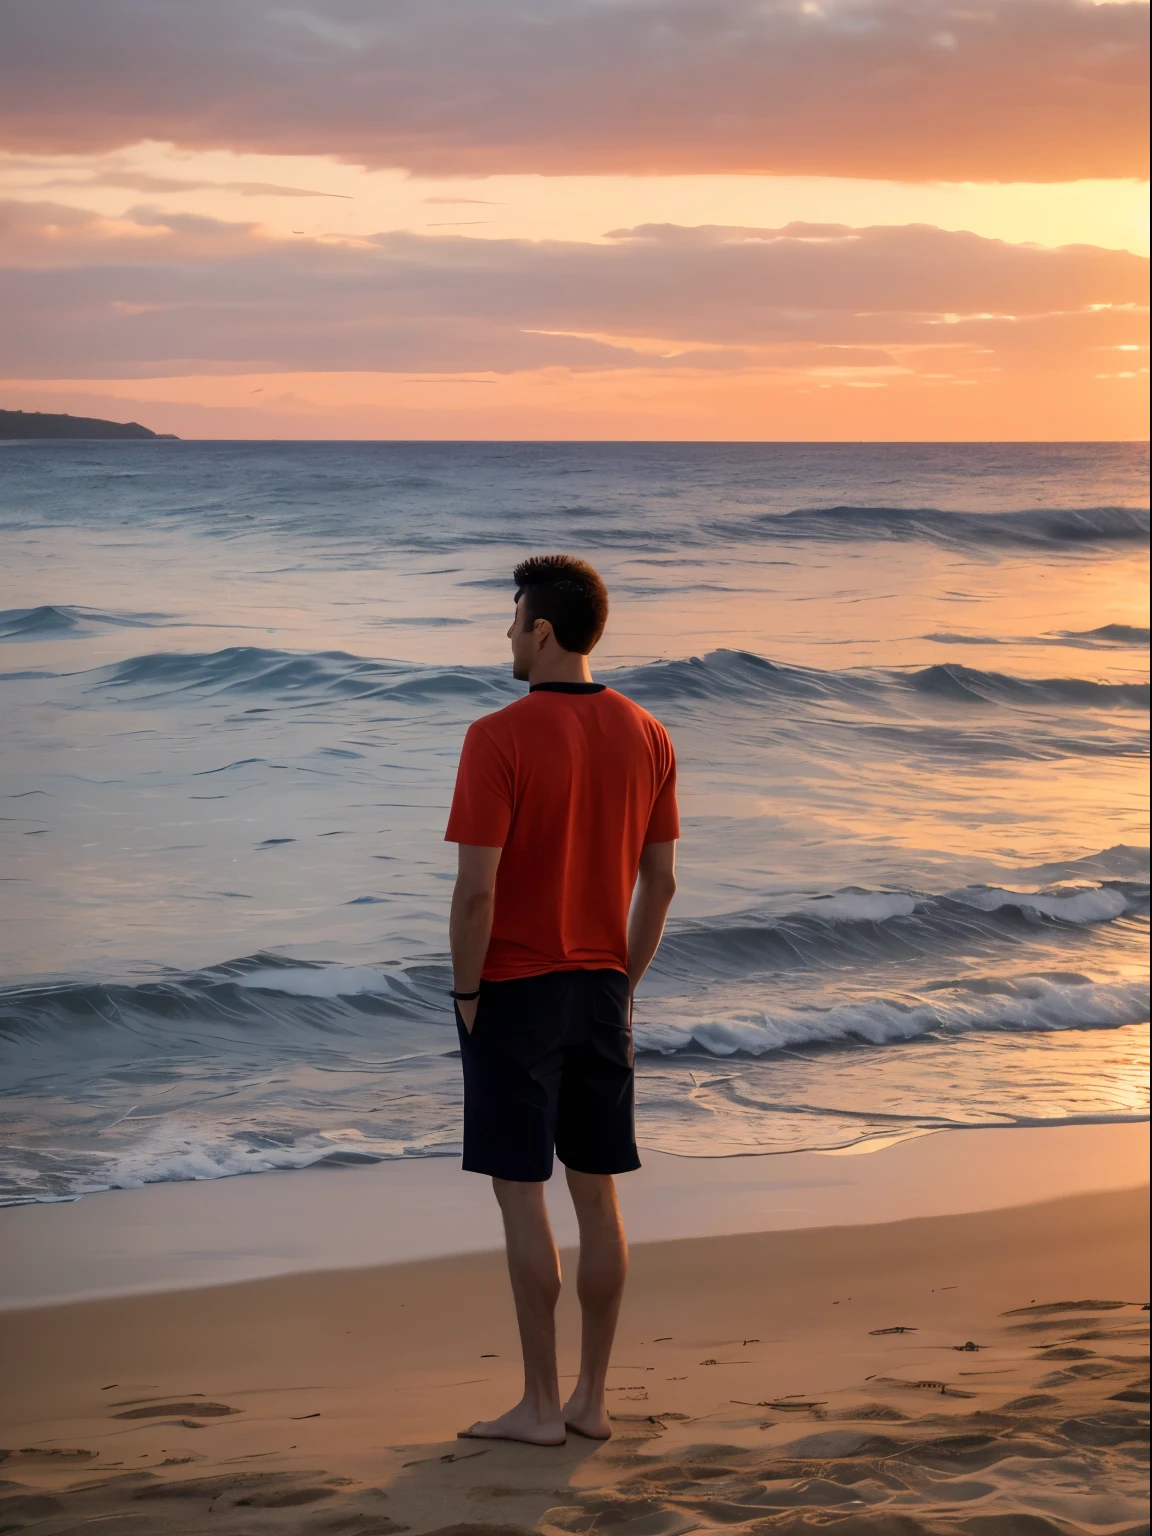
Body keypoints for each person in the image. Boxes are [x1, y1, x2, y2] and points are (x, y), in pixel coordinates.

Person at [445, 553, 679, 1447]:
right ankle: (592, 1399)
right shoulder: (650, 734)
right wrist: (623, 979)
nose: (506, 634)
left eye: (512, 620)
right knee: (598, 1194)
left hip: (513, 990)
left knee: (520, 1195)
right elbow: (659, 885)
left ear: (542, 629)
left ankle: (539, 1408)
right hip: (599, 990)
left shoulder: (496, 737)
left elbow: (476, 896)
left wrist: (468, 991)